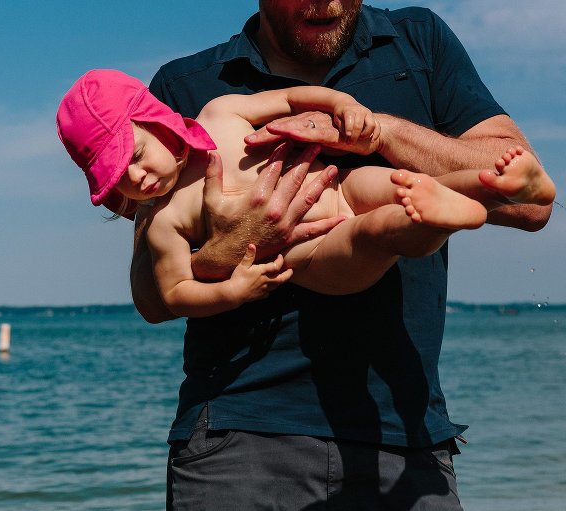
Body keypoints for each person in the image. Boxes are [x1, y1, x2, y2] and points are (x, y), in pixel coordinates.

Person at [129, 2, 554, 510]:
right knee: (377, 231)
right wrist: (238, 245)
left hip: (405, 434)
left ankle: (432, 216)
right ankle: (425, 220)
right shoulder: (186, 87)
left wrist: (382, 132)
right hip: (239, 439)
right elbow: (153, 298)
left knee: (396, 206)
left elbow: (530, 205)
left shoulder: (417, 41)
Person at [56, 69, 555, 319]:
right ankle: (440, 218)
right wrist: (231, 286)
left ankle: (495, 187)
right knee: (381, 230)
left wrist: (342, 104)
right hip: (311, 254)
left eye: (137, 154)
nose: (138, 179)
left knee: (399, 185)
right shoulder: (164, 219)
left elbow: (291, 98)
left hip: (340, 185)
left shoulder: (220, 112)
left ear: (156, 117)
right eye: (118, 177)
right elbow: (170, 292)